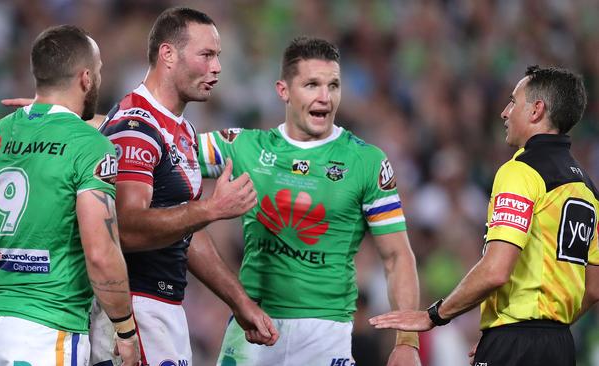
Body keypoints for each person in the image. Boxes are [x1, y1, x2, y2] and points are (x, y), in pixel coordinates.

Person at [197, 37, 422, 366]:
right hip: (253, 328)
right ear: (283, 90)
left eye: (333, 86)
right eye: (312, 85)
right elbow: (166, 146)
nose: (325, 97)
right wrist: (109, 126)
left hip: (325, 334)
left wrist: (407, 342)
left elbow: (397, 257)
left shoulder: (367, 162)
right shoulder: (244, 147)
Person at [369, 66, 599, 366]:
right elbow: (593, 288)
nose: (505, 112)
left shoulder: (521, 171)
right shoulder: (586, 187)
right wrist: (539, 329)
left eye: (514, 102)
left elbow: (496, 269)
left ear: (536, 110)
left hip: (516, 343)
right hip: (560, 345)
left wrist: (435, 315)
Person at [90, 7, 278, 365]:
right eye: (206, 55)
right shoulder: (136, 125)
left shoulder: (181, 130)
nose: (217, 67)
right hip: (132, 313)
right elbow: (125, 228)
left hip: (162, 311)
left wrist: (239, 301)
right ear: (168, 54)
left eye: (218, 56)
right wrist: (212, 209)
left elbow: (185, 231)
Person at [0, 25, 140, 365]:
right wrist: (125, 329)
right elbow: (100, 252)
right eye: (97, 72)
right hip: (49, 328)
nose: (98, 78)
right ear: (85, 78)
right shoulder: (90, 146)